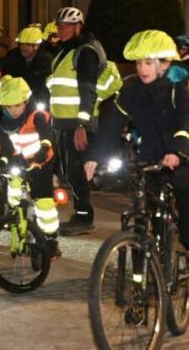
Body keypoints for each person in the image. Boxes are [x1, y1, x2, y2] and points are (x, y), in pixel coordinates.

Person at [84, 30, 189, 249]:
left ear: (165, 64)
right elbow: (113, 123)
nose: (142, 68)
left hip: (181, 158)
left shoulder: (179, 88)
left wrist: (178, 152)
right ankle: (150, 268)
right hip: (150, 158)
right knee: (146, 215)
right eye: (139, 62)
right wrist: (94, 157)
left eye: (149, 63)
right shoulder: (132, 90)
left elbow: (186, 121)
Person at [46, 6, 108, 235]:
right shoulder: (68, 50)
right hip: (64, 121)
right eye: (59, 26)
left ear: (77, 27)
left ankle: (83, 218)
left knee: (75, 172)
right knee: (69, 172)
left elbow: (88, 90)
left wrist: (82, 125)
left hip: (76, 123)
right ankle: (80, 214)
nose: (59, 30)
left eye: (64, 26)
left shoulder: (85, 52)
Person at [0, 75, 59, 254]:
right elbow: (6, 148)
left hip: (41, 162)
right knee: (13, 192)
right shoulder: (5, 123)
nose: (14, 110)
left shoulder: (37, 115)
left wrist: (43, 150)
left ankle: (50, 239)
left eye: (18, 105)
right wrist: (2, 162)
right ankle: (16, 222)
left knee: (44, 204)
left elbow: (46, 135)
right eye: (9, 107)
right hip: (21, 161)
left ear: (26, 100)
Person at [1, 26, 53, 105]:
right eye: (22, 44)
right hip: (16, 102)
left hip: (38, 100)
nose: (24, 48)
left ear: (37, 46)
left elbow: (47, 84)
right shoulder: (12, 58)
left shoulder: (46, 60)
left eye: (28, 44)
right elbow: (6, 79)